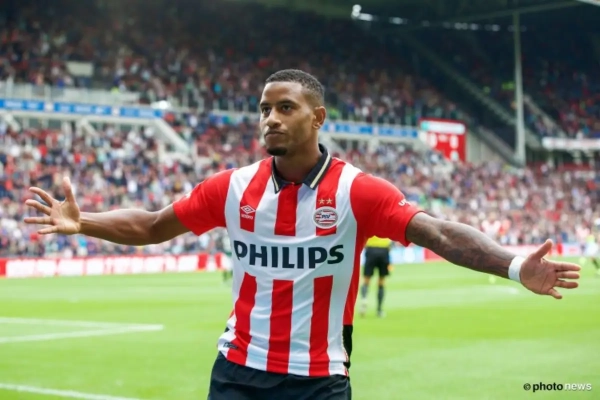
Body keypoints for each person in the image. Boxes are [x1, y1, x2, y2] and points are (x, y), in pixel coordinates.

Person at [23, 69, 581, 400]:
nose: (270, 118)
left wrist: (514, 265)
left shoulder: (357, 191)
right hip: (237, 374)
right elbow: (152, 224)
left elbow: (437, 232)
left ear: (317, 118)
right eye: (264, 108)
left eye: (285, 108)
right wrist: (84, 221)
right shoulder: (231, 187)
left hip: (319, 380)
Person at [359, 236, 392, 318]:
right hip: (384, 249)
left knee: (366, 279)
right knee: (381, 281)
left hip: (371, 249)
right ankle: (379, 310)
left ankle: (364, 298)